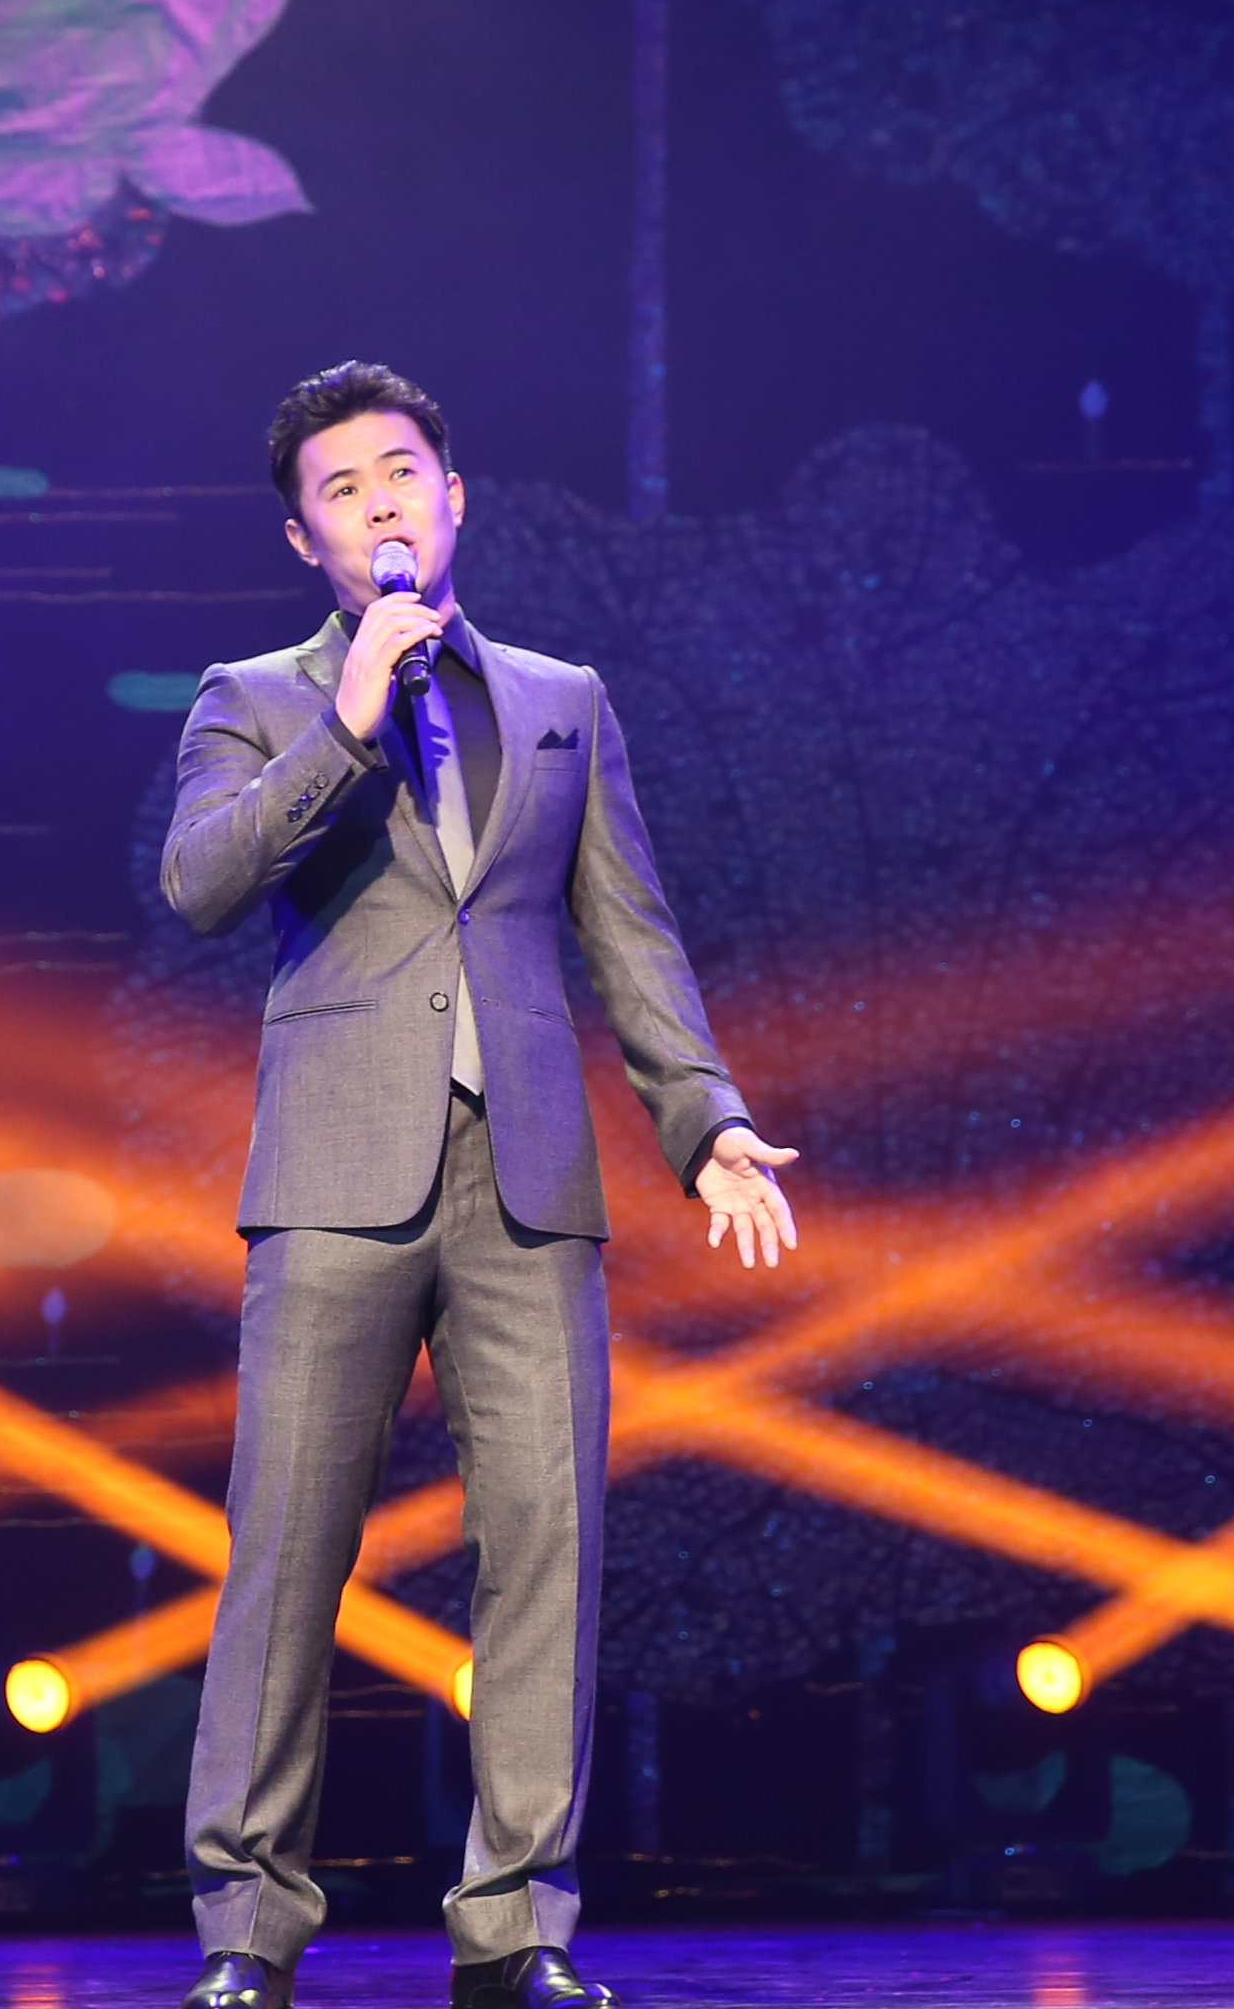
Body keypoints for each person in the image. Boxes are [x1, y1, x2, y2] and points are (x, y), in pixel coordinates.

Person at [158, 360, 800, 2009]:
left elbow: (628, 932)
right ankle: (247, 1933)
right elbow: (202, 880)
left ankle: (517, 1931)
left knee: (544, 1554)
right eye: (341, 489)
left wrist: (706, 1120)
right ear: (303, 539)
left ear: (454, 496)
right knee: (288, 1556)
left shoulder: (562, 697)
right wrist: (350, 721)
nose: (378, 503)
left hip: (527, 1181)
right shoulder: (256, 696)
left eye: (401, 472)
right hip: (335, 1175)